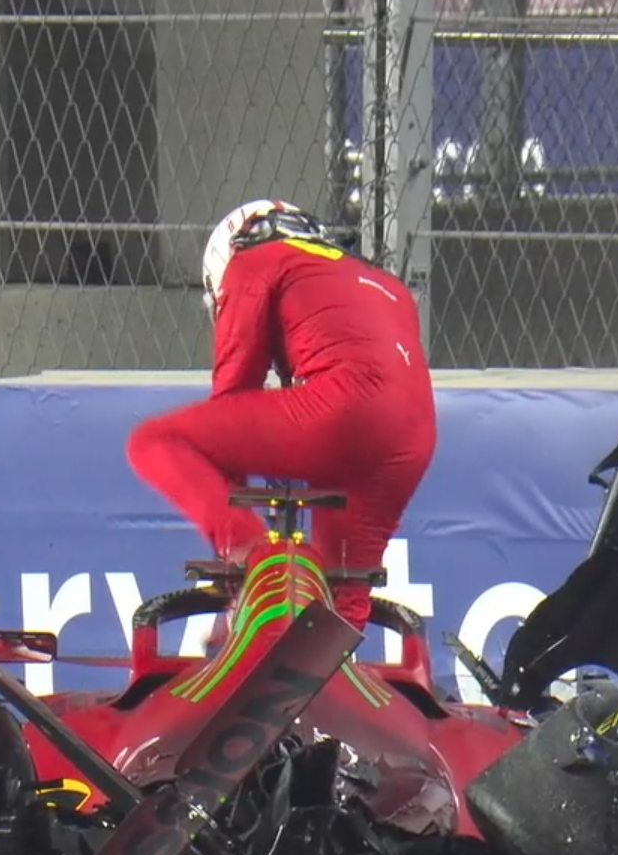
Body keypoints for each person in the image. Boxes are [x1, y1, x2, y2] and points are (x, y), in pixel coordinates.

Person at [126, 199, 437, 628]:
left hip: (342, 411)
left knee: (154, 442)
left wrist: (237, 550)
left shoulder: (253, 260)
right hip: (413, 434)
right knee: (340, 599)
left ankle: (254, 567)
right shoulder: (383, 282)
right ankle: (333, 681)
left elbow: (234, 392)